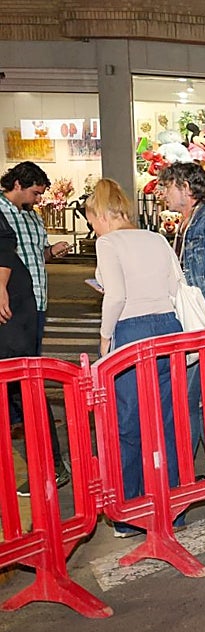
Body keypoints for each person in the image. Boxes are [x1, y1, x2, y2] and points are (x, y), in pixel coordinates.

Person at [89, 179, 190, 537]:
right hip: (169, 327)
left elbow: (115, 295)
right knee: (167, 421)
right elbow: (176, 285)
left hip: (132, 331)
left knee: (129, 423)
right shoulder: (156, 238)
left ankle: (131, 513)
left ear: (102, 215)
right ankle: (173, 507)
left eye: (93, 221)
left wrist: (105, 338)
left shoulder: (108, 243)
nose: (94, 229)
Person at [0, 162, 72, 436]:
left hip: (38, 299)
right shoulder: (1, 213)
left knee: (30, 358)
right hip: (11, 300)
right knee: (13, 361)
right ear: (18, 184)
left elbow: (38, 254)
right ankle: (15, 418)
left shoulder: (33, 217)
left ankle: (26, 416)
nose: (38, 199)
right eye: (35, 193)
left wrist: (52, 251)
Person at [1, 213, 70, 495]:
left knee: (23, 386)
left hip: (10, 310)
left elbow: (4, 240)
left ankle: (51, 467)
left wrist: (0, 287)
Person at [158, 162, 205, 328]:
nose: (163, 194)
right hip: (191, 316)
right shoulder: (187, 223)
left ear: (186, 188)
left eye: (168, 187)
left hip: (204, 319)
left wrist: (198, 307)